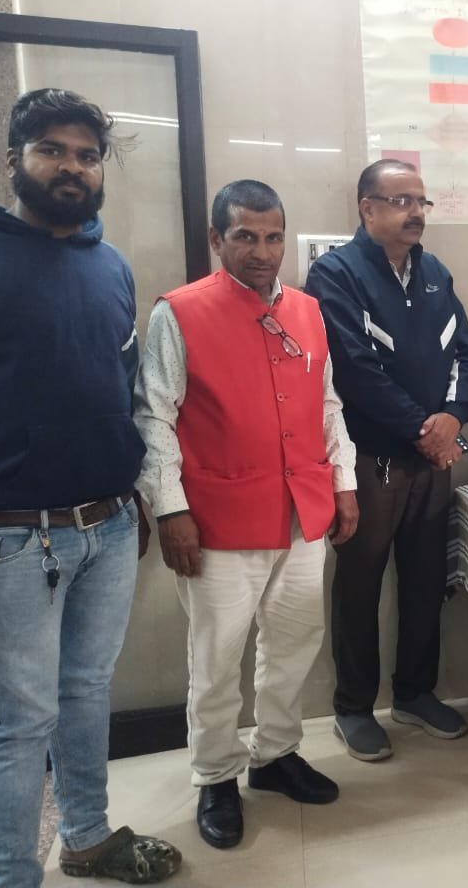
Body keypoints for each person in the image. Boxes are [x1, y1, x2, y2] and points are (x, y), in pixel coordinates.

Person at [0, 89, 180, 887]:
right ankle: (12, 877)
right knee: (22, 720)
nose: (71, 167)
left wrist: (133, 492)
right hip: (9, 537)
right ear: (14, 159)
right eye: (52, 150)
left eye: (87, 155)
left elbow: (121, 392)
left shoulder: (109, 266)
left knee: (87, 694)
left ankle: (86, 838)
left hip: (107, 527)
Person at [133, 180, 358, 849]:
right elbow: (153, 417)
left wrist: (344, 483)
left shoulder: (308, 310)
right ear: (216, 239)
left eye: (273, 237)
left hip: (302, 509)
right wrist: (170, 509)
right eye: (245, 237)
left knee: (294, 642)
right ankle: (215, 775)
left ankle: (276, 754)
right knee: (217, 656)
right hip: (219, 518)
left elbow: (328, 405)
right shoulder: (180, 313)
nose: (262, 252)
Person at [305, 159, 468, 762]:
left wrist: (453, 418)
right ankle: (353, 707)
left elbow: (466, 355)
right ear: (367, 208)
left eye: (420, 202)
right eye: (401, 201)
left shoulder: (435, 273)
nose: (414, 213)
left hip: (433, 461)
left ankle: (415, 693)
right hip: (372, 461)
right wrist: (421, 430)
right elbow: (354, 371)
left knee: (426, 579)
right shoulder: (335, 274)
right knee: (359, 584)